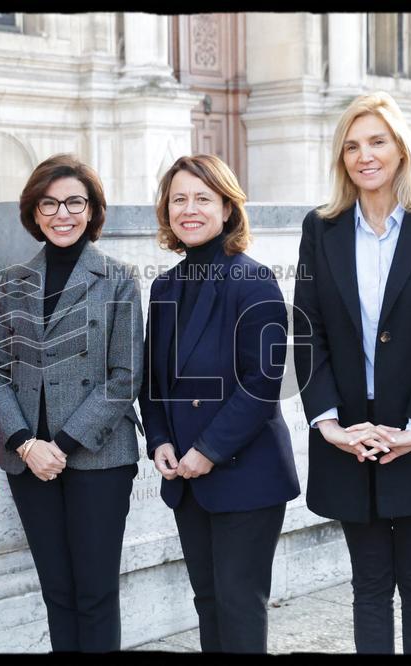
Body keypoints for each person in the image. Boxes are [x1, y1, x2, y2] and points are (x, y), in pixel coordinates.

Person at [292, 92, 411, 654]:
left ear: (400, 148)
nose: (364, 155)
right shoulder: (321, 228)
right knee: (368, 583)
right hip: (348, 431)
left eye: (377, 141)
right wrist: (328, 424)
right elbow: (305, 328)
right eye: (352, 145)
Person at [0, 154, 144, 652]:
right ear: (34, 212)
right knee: (57, 593)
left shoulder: (117, 279)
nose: (62, 214)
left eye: (74, 201)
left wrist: (63, 444)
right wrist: (28, 444)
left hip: (99, 459)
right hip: (30, 463)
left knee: (94, 594)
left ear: (92, 210)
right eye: (48, 203)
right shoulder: (14, 281)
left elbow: (125, 376)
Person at [139, 154, 299, 654]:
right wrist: (161, 439)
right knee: (207, 600)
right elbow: (153, 380)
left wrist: (207, 449)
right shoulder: (165, 286)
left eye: (203, 198)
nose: (190, 209)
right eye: (179, 199)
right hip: (186, 480)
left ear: (228, 209)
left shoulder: (255, 280)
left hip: (245, 476)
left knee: (238, 603)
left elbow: (263, 382)